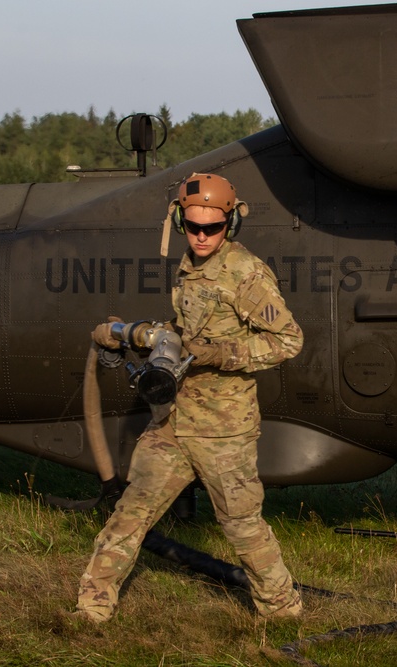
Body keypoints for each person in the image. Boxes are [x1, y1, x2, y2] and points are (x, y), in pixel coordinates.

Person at [74, 172, 304, 622]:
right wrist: (150, 337)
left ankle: (281, 609)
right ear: (180, 220)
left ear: (229, 225)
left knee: (241, 526)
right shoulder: (190, 266)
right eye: (193, 226)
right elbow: (190, 329)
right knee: (131, 512)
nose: (201, 236)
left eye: (212, 228)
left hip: (224, 431)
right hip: (175, 421)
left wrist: (221, 353)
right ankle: (91, 608)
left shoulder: (245, 273)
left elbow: (289, 341)